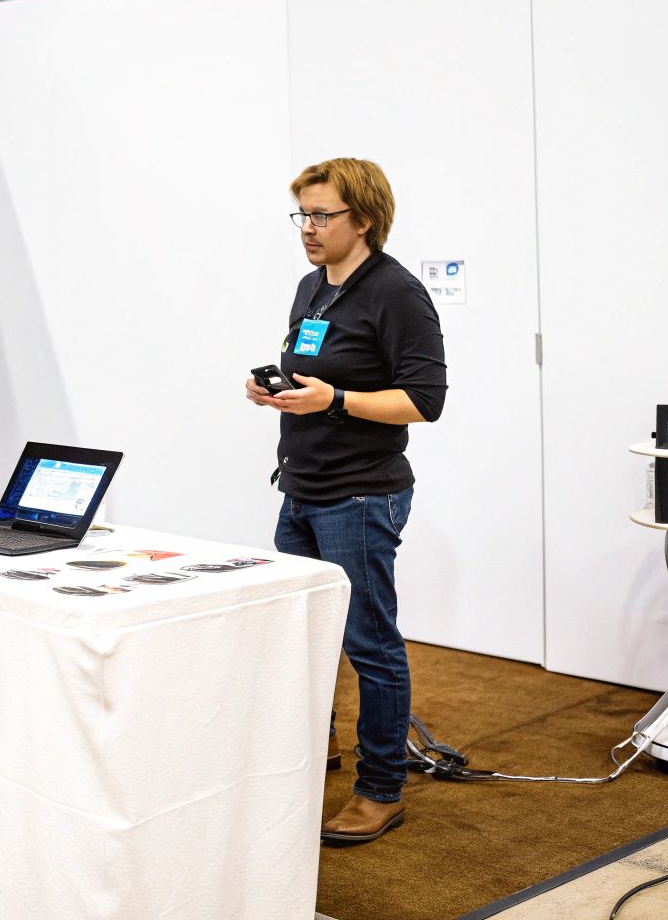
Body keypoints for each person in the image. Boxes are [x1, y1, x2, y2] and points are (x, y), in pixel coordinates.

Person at [244, 157, 447, 846]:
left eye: (321, 215)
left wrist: (334, 400)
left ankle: (381, 789)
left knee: (370, 644)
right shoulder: (312, 287)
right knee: (304, 639)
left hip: (359, 497)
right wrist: (274, 392)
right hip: (300, 489)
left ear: (362, 219)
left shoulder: (398, 293)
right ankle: (315, 750)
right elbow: (311, 369)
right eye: (301, 214)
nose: (307, 227)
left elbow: (424, 401)